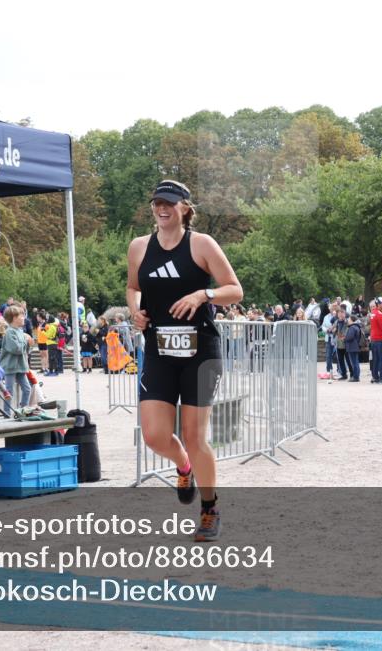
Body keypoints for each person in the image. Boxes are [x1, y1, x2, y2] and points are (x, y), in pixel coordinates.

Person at [127, 179, 242, 542]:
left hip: (200, 351)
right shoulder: (139, 247)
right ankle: (183, 467)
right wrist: (135, 311)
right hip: (159, 348)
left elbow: (234, 290)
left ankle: (209, 509)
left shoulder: (202, 244)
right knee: (155, 435)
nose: (163, 209)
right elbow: (133, 288)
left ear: (185, 209)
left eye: (170, 204)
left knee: (195, 435)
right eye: (157, 202)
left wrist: (203, 294)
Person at [0, 306, 32, 416]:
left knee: (27, 389)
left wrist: (28, 344)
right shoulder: (9, 332)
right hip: (10, 366)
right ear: (14, 318)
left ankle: (23, 410)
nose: (24, 318)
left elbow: (25, 350)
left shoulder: (20, 331)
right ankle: (6, 413)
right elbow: (16, 349)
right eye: (21, 315)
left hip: (21, 366)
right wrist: (26, 341)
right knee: (9, 391)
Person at [369, 298, 382, 383]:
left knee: (376, 359)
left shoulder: (373, 313)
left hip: (374, 339)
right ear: (378, 304)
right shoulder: (380, 314)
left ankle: (375, 377)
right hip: (380, 339)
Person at [344, 314, 363, 382]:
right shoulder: (357, 327)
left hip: (352, 347)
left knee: (354, 362)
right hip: (355, 347)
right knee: (355, 362)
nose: (348, 320)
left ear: (352, 320)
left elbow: (350, 337)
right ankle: (356, 376)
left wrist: (344, 338)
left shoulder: (352, 327)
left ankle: (355, 377)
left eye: (349, 319)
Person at [322, 304, 339, 378]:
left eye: (334, 309)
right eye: (332, 309)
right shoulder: (326, 317)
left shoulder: (338, 316)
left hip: (336, 337)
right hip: (328, 337)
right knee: (328, 355)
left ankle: (340, 370)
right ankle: (329, 370)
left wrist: (334, 330)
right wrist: (326, 330)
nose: (333, 310)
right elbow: (323, 326)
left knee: (338, 355)